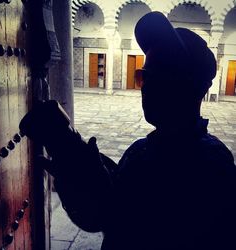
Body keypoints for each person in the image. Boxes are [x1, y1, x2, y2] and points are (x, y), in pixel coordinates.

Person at [20, 12, 236, 250]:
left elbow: (117, 219)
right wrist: (72, 159)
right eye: (144, 76)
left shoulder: (211, 167)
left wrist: (76, 162)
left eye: (160, 77)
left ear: (190, 87)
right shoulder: (144, 150)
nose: (146, 87)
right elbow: (109, 209)